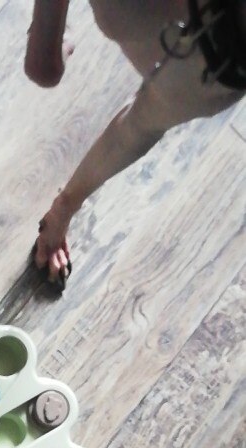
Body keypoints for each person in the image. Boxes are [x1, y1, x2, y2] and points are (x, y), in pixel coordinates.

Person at [26, 0, 246, 287]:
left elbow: (134, 132)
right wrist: (44, 55)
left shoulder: (217, 87)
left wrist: (64, 208)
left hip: (226, 62)